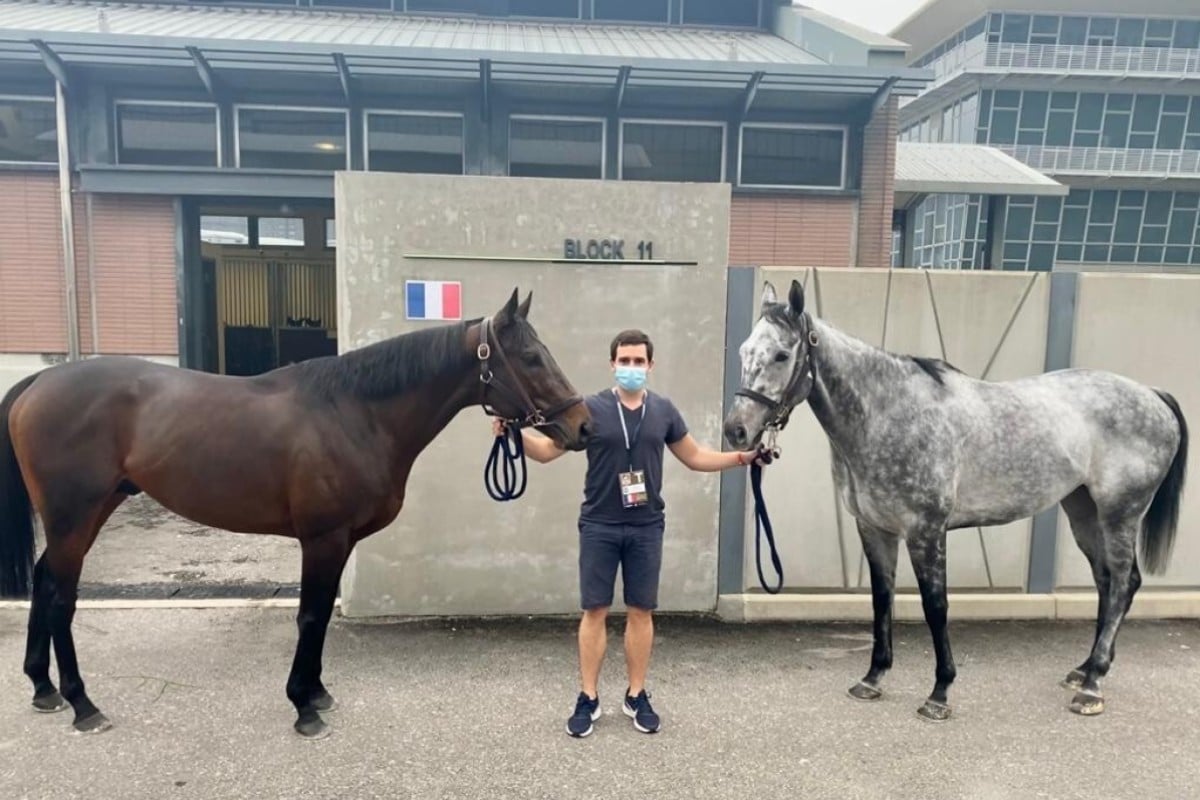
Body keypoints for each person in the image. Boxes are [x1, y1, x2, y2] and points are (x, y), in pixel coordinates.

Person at [491, 329, 769, 738]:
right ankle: (588, 697)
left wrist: (744, 458)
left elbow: (695, 457)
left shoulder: (664, 411)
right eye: (625, 360)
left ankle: (636, 695)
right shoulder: (590, 408)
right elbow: (549, 452)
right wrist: (514, 435)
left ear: (650, 366)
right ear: (612, 364)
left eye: (639, 362)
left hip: (645, 526)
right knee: (595, 611)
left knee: (641, 612)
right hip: (599, 524)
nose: (632, 368)